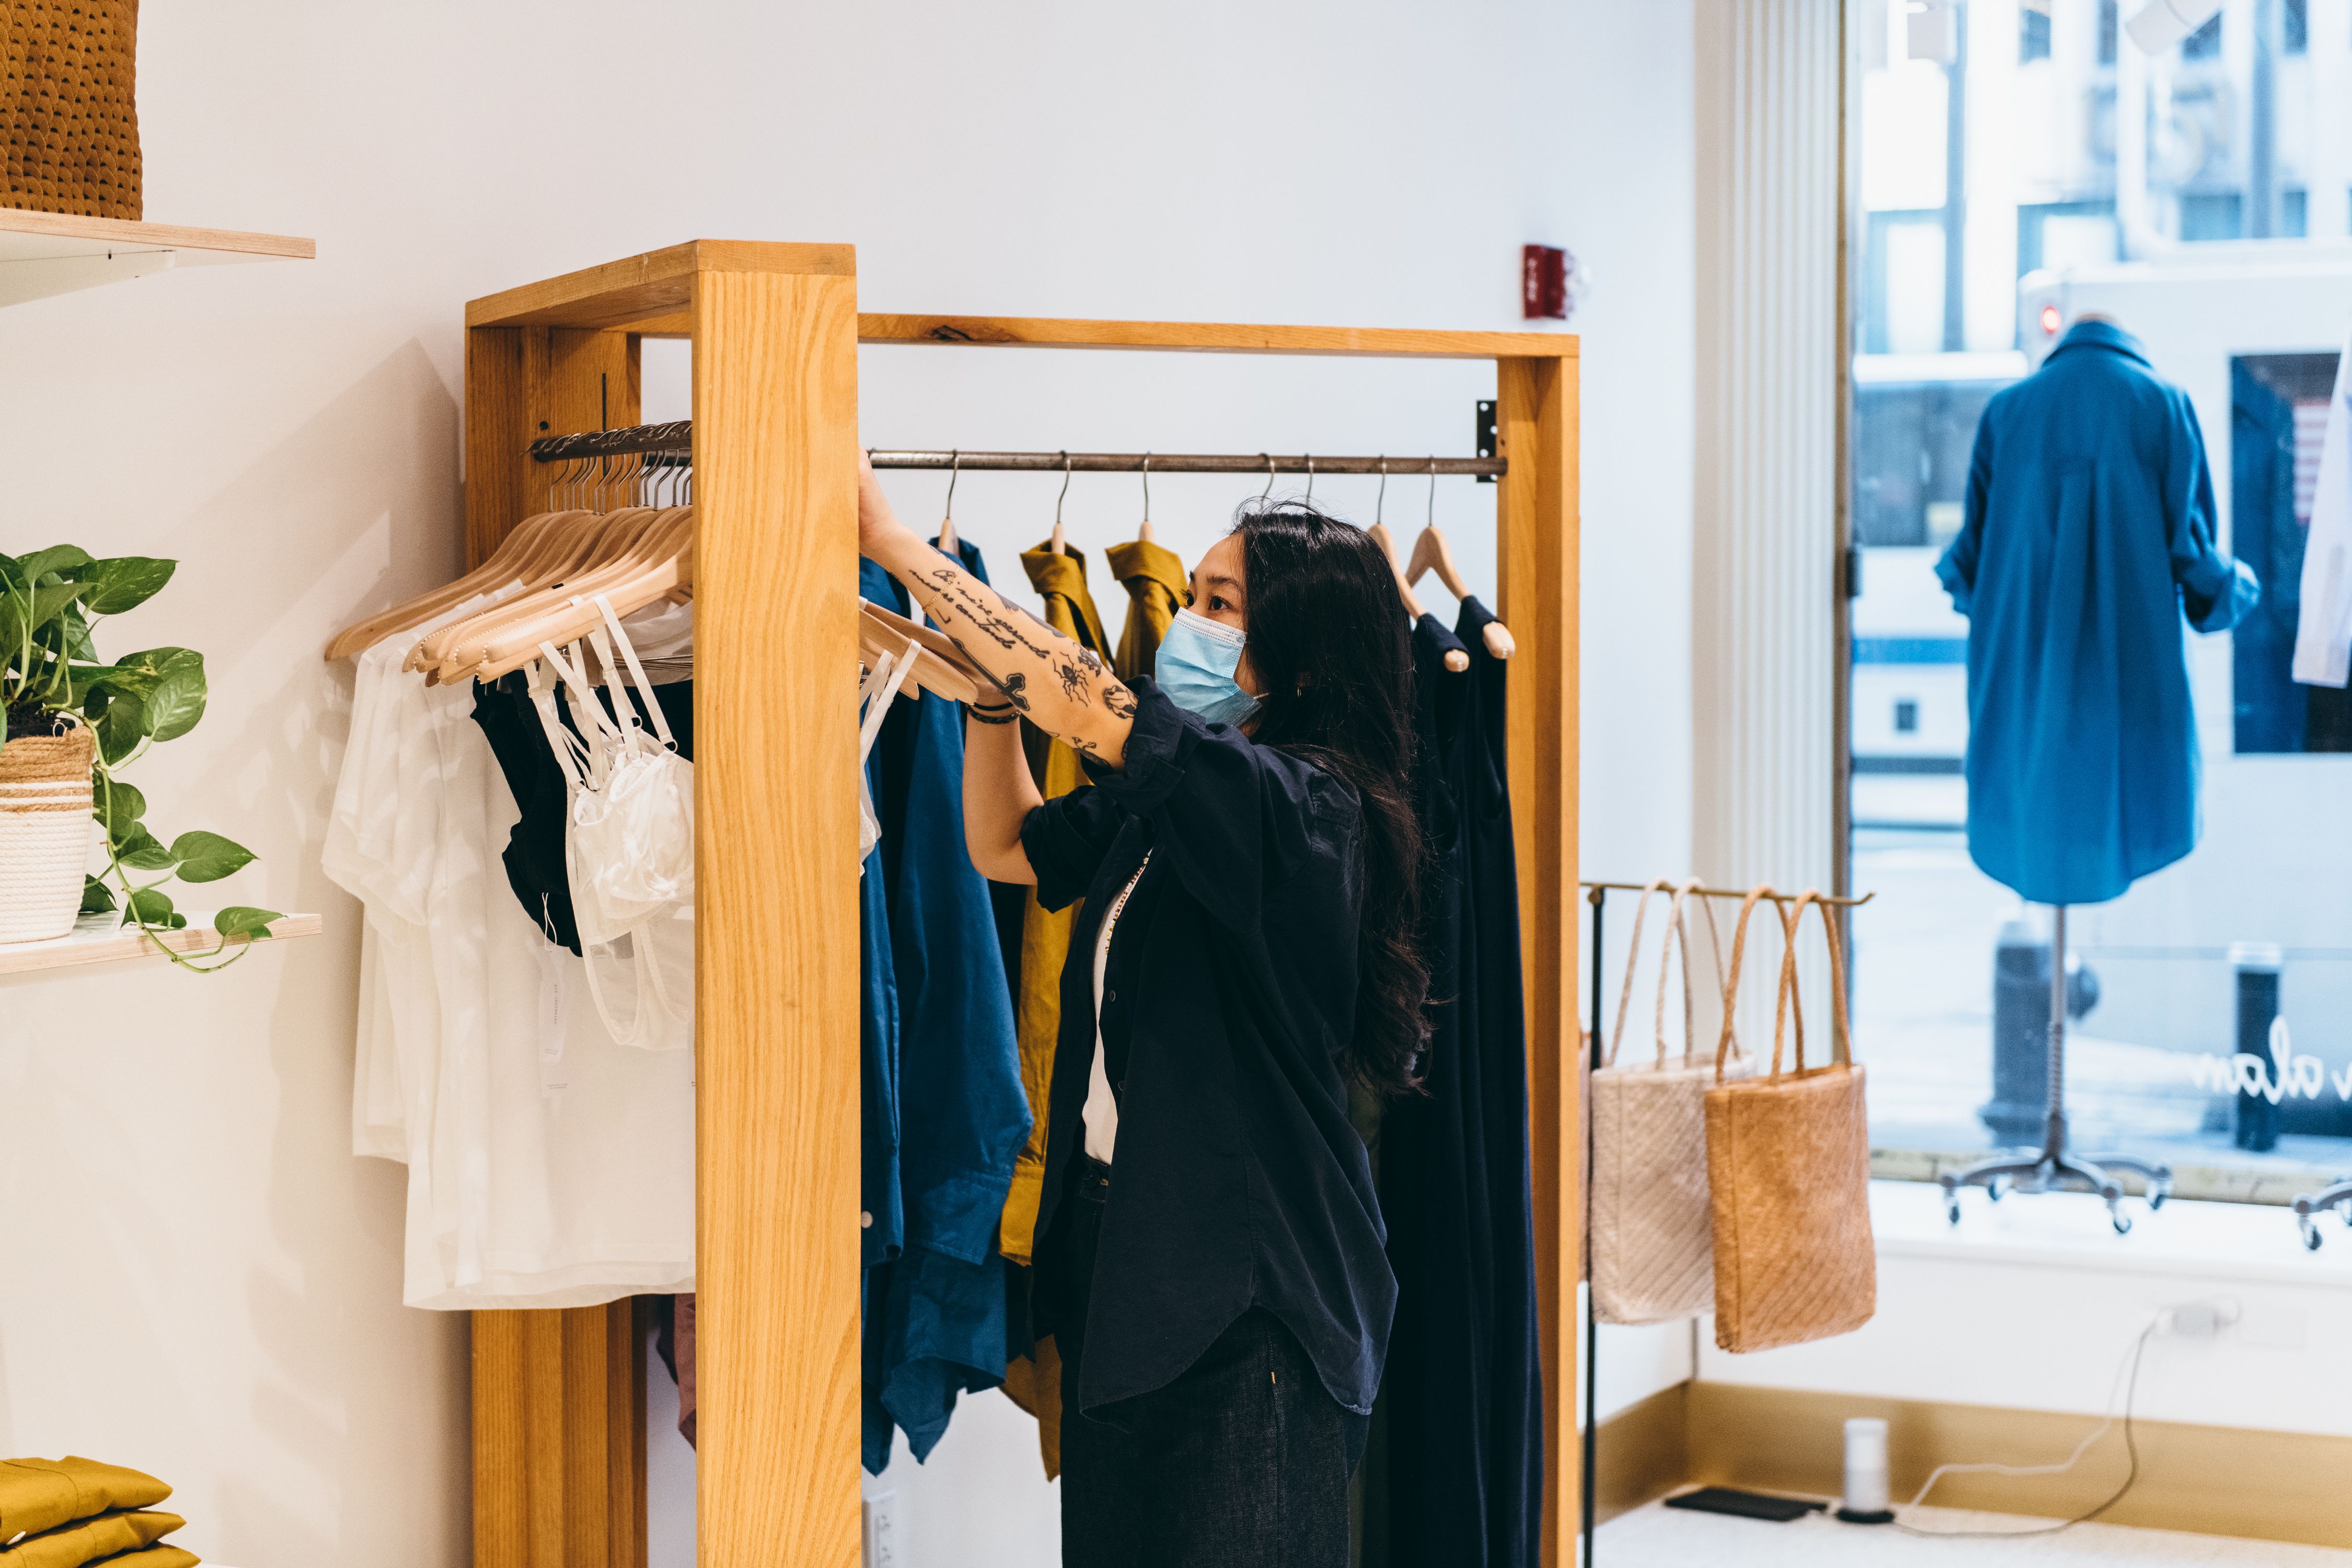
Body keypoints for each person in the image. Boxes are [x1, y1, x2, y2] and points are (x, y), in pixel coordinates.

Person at [858, 452, 1427, 1567]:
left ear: (1302, 659)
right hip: (1134, 1271)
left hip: (1253, 1303)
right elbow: (1006, 845)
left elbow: (1088, 695)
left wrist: (893, 545)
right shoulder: (1190, 792)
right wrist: (988, 697)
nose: (1187, 626)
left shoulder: (1305, 812)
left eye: (1221, 606)